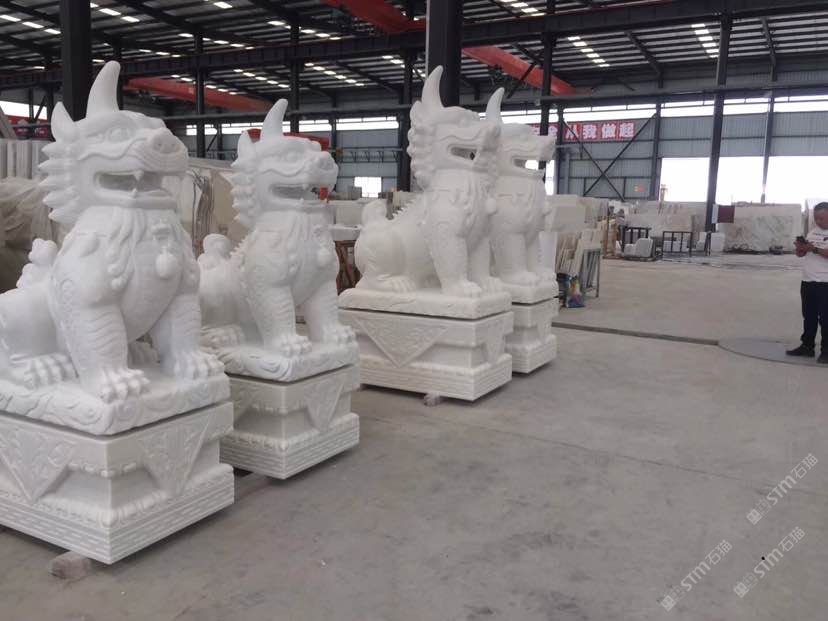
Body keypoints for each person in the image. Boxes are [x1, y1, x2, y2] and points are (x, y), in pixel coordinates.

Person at [788, 202, 828, 363]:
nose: (818, 221)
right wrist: (800, 248)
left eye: (822, 218)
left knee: (826, 319)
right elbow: (802, 255)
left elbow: (817, 251)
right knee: (809, 316)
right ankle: (807, 346)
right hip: (808, 280)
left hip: (825, 283)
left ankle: (826, 351)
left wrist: (814, 249)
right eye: (816, 218)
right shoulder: (813, 232)